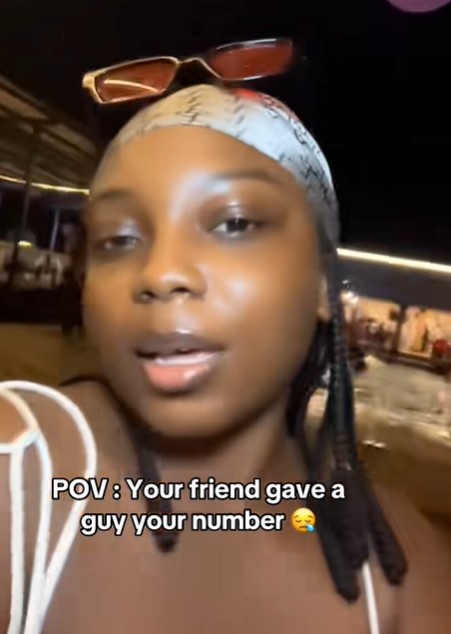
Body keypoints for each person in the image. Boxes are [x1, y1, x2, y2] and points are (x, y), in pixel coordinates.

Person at [1, 83, 451, 634]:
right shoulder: (18, 474)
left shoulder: (400, 566)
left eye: (234, 223)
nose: (161, 272)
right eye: (118, 239)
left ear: (321, 281)